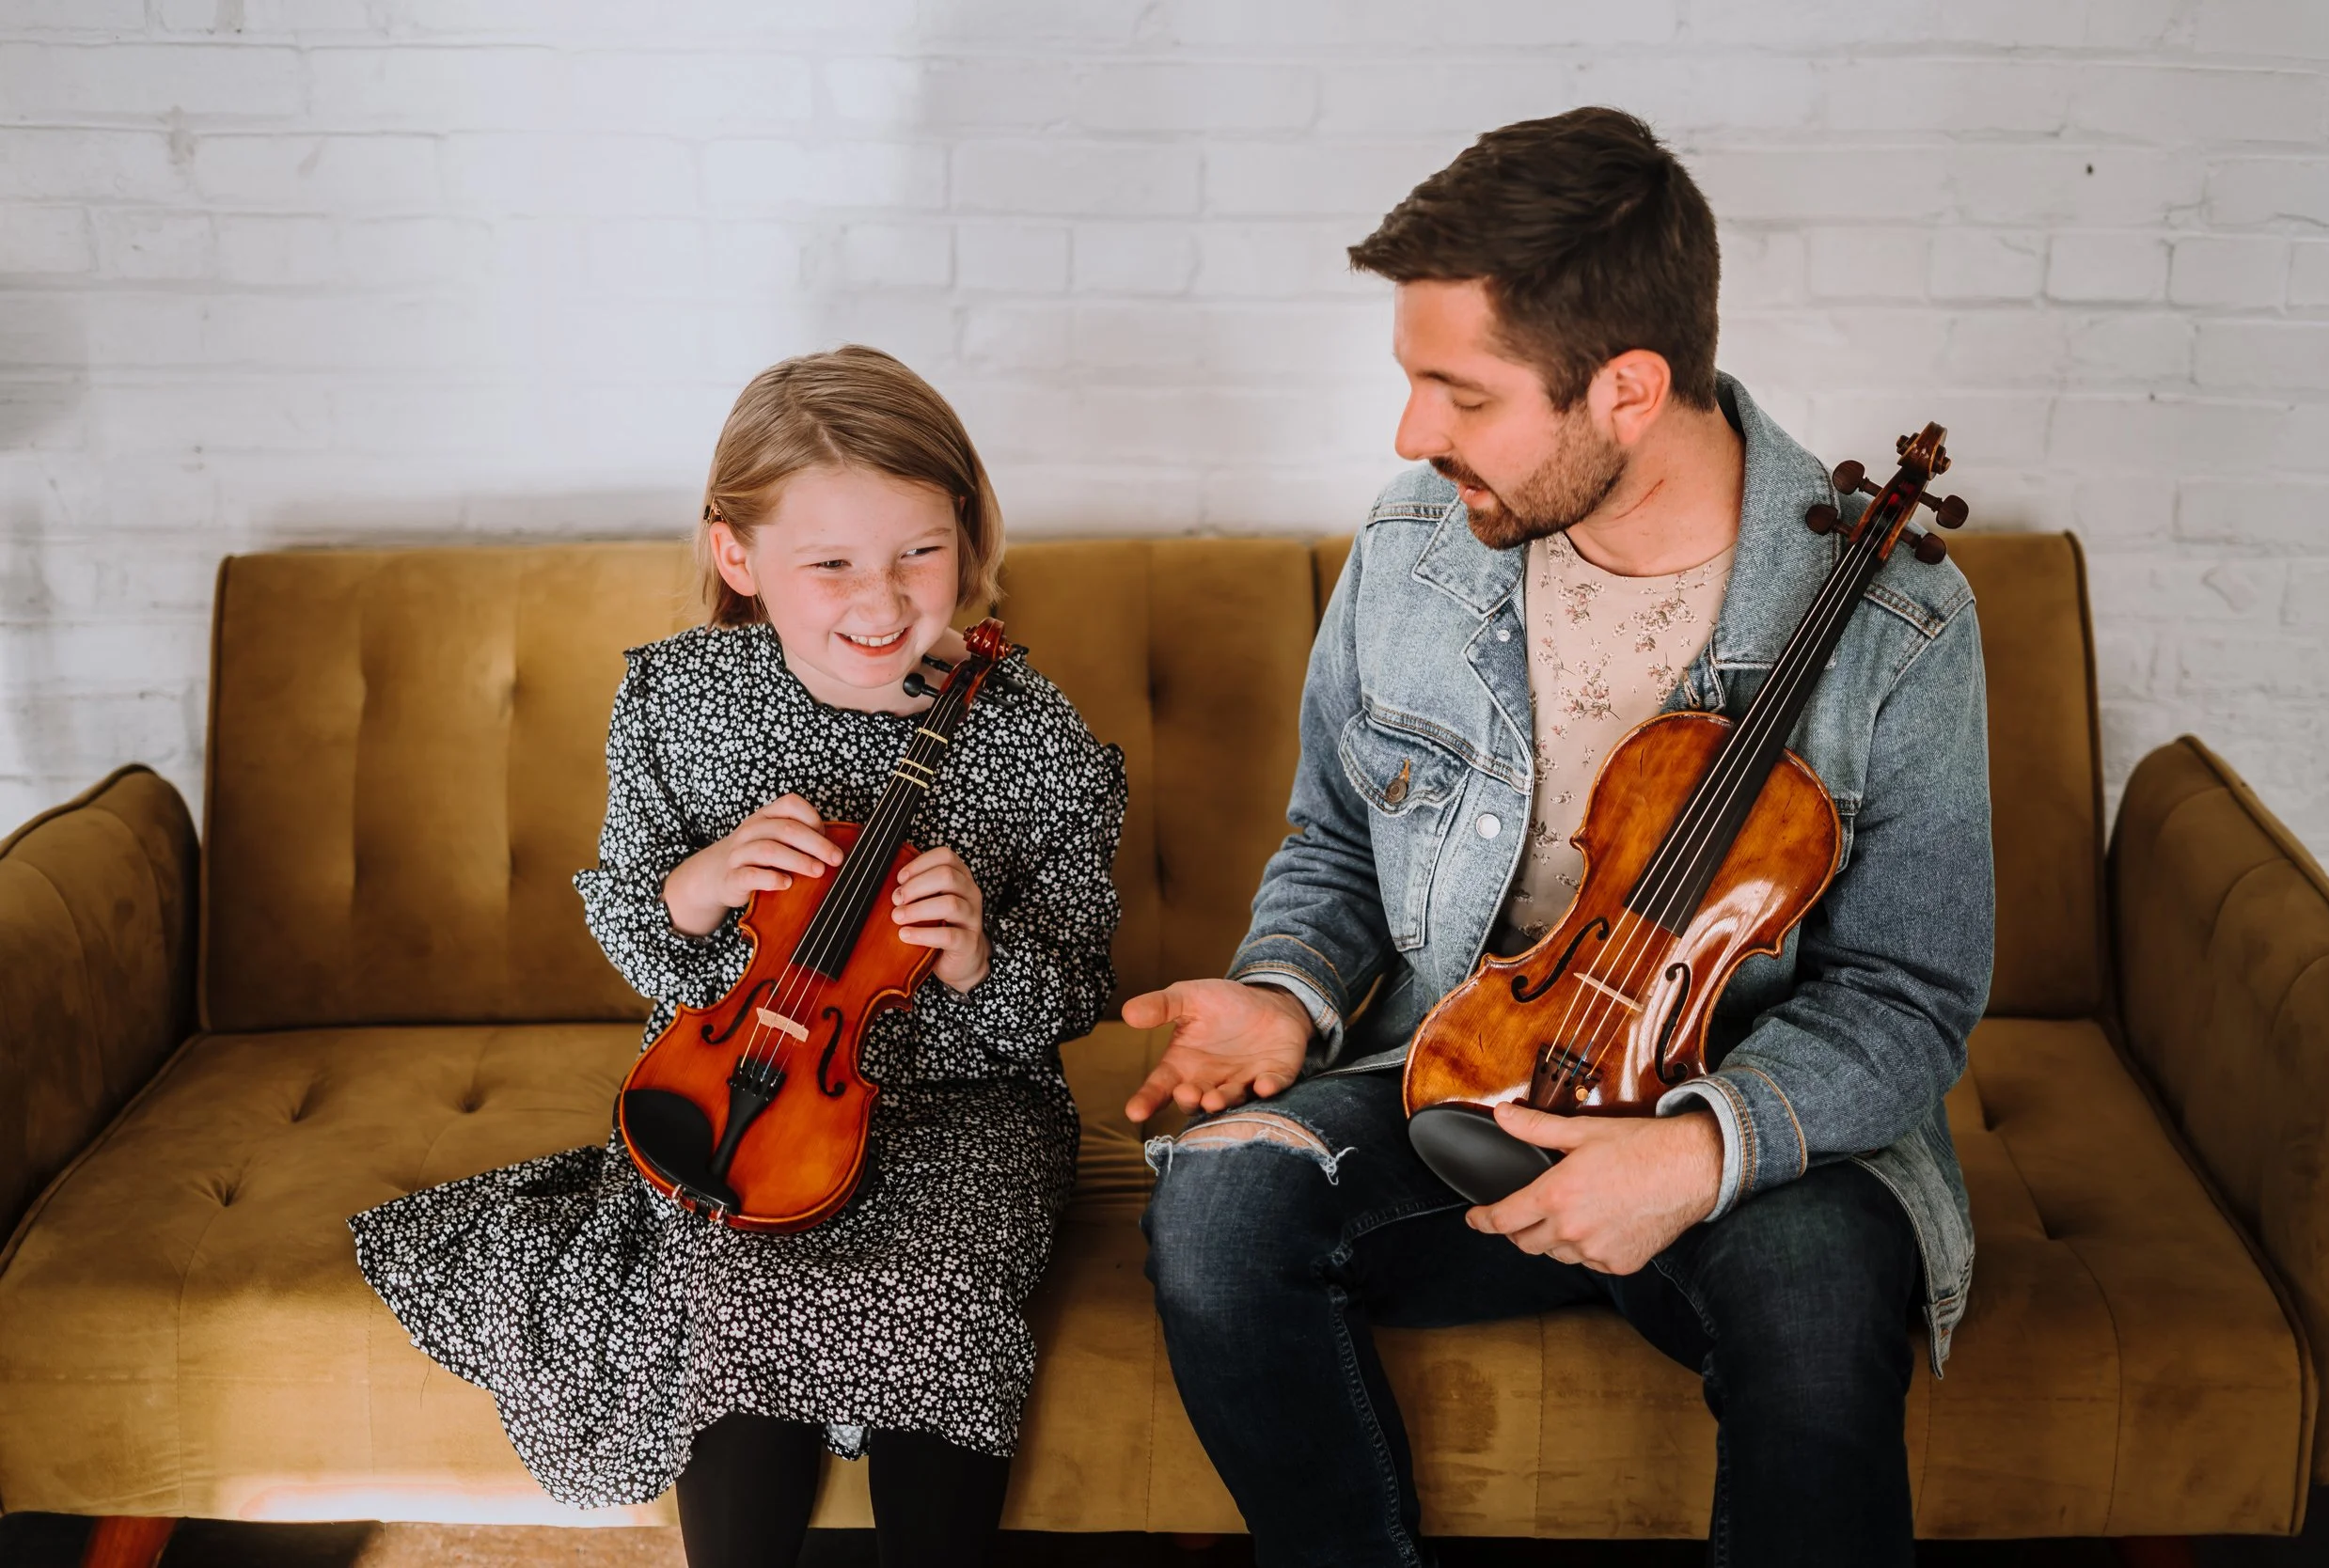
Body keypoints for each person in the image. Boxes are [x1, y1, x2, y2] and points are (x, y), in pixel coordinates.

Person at [1125, 109, 1993, 1567]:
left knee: (1819, 1300)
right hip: (1452, 1069)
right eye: (1413, 385)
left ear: (1628, 389)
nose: (1413, 436)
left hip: (1742, 1125)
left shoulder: (1900, 618)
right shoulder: (1412, 549)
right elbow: (1338, 837)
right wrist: (1284, 992)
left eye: (1461, 395)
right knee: (1218, 1210)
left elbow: (1908, 994)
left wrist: (1692, 1158)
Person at [351, 345, 1127, 1568]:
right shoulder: (675, 702)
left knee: (945, 1301)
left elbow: (1081, 985)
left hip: (969, 1111)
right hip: (745, 1097)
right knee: (727, 1289)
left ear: (966, 539)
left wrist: (981, 959)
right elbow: (636, 932)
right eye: (831, 565)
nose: (882, 601)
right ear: (738, 557)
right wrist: (695, 888)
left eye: (919, 553)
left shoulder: (1038, 740)